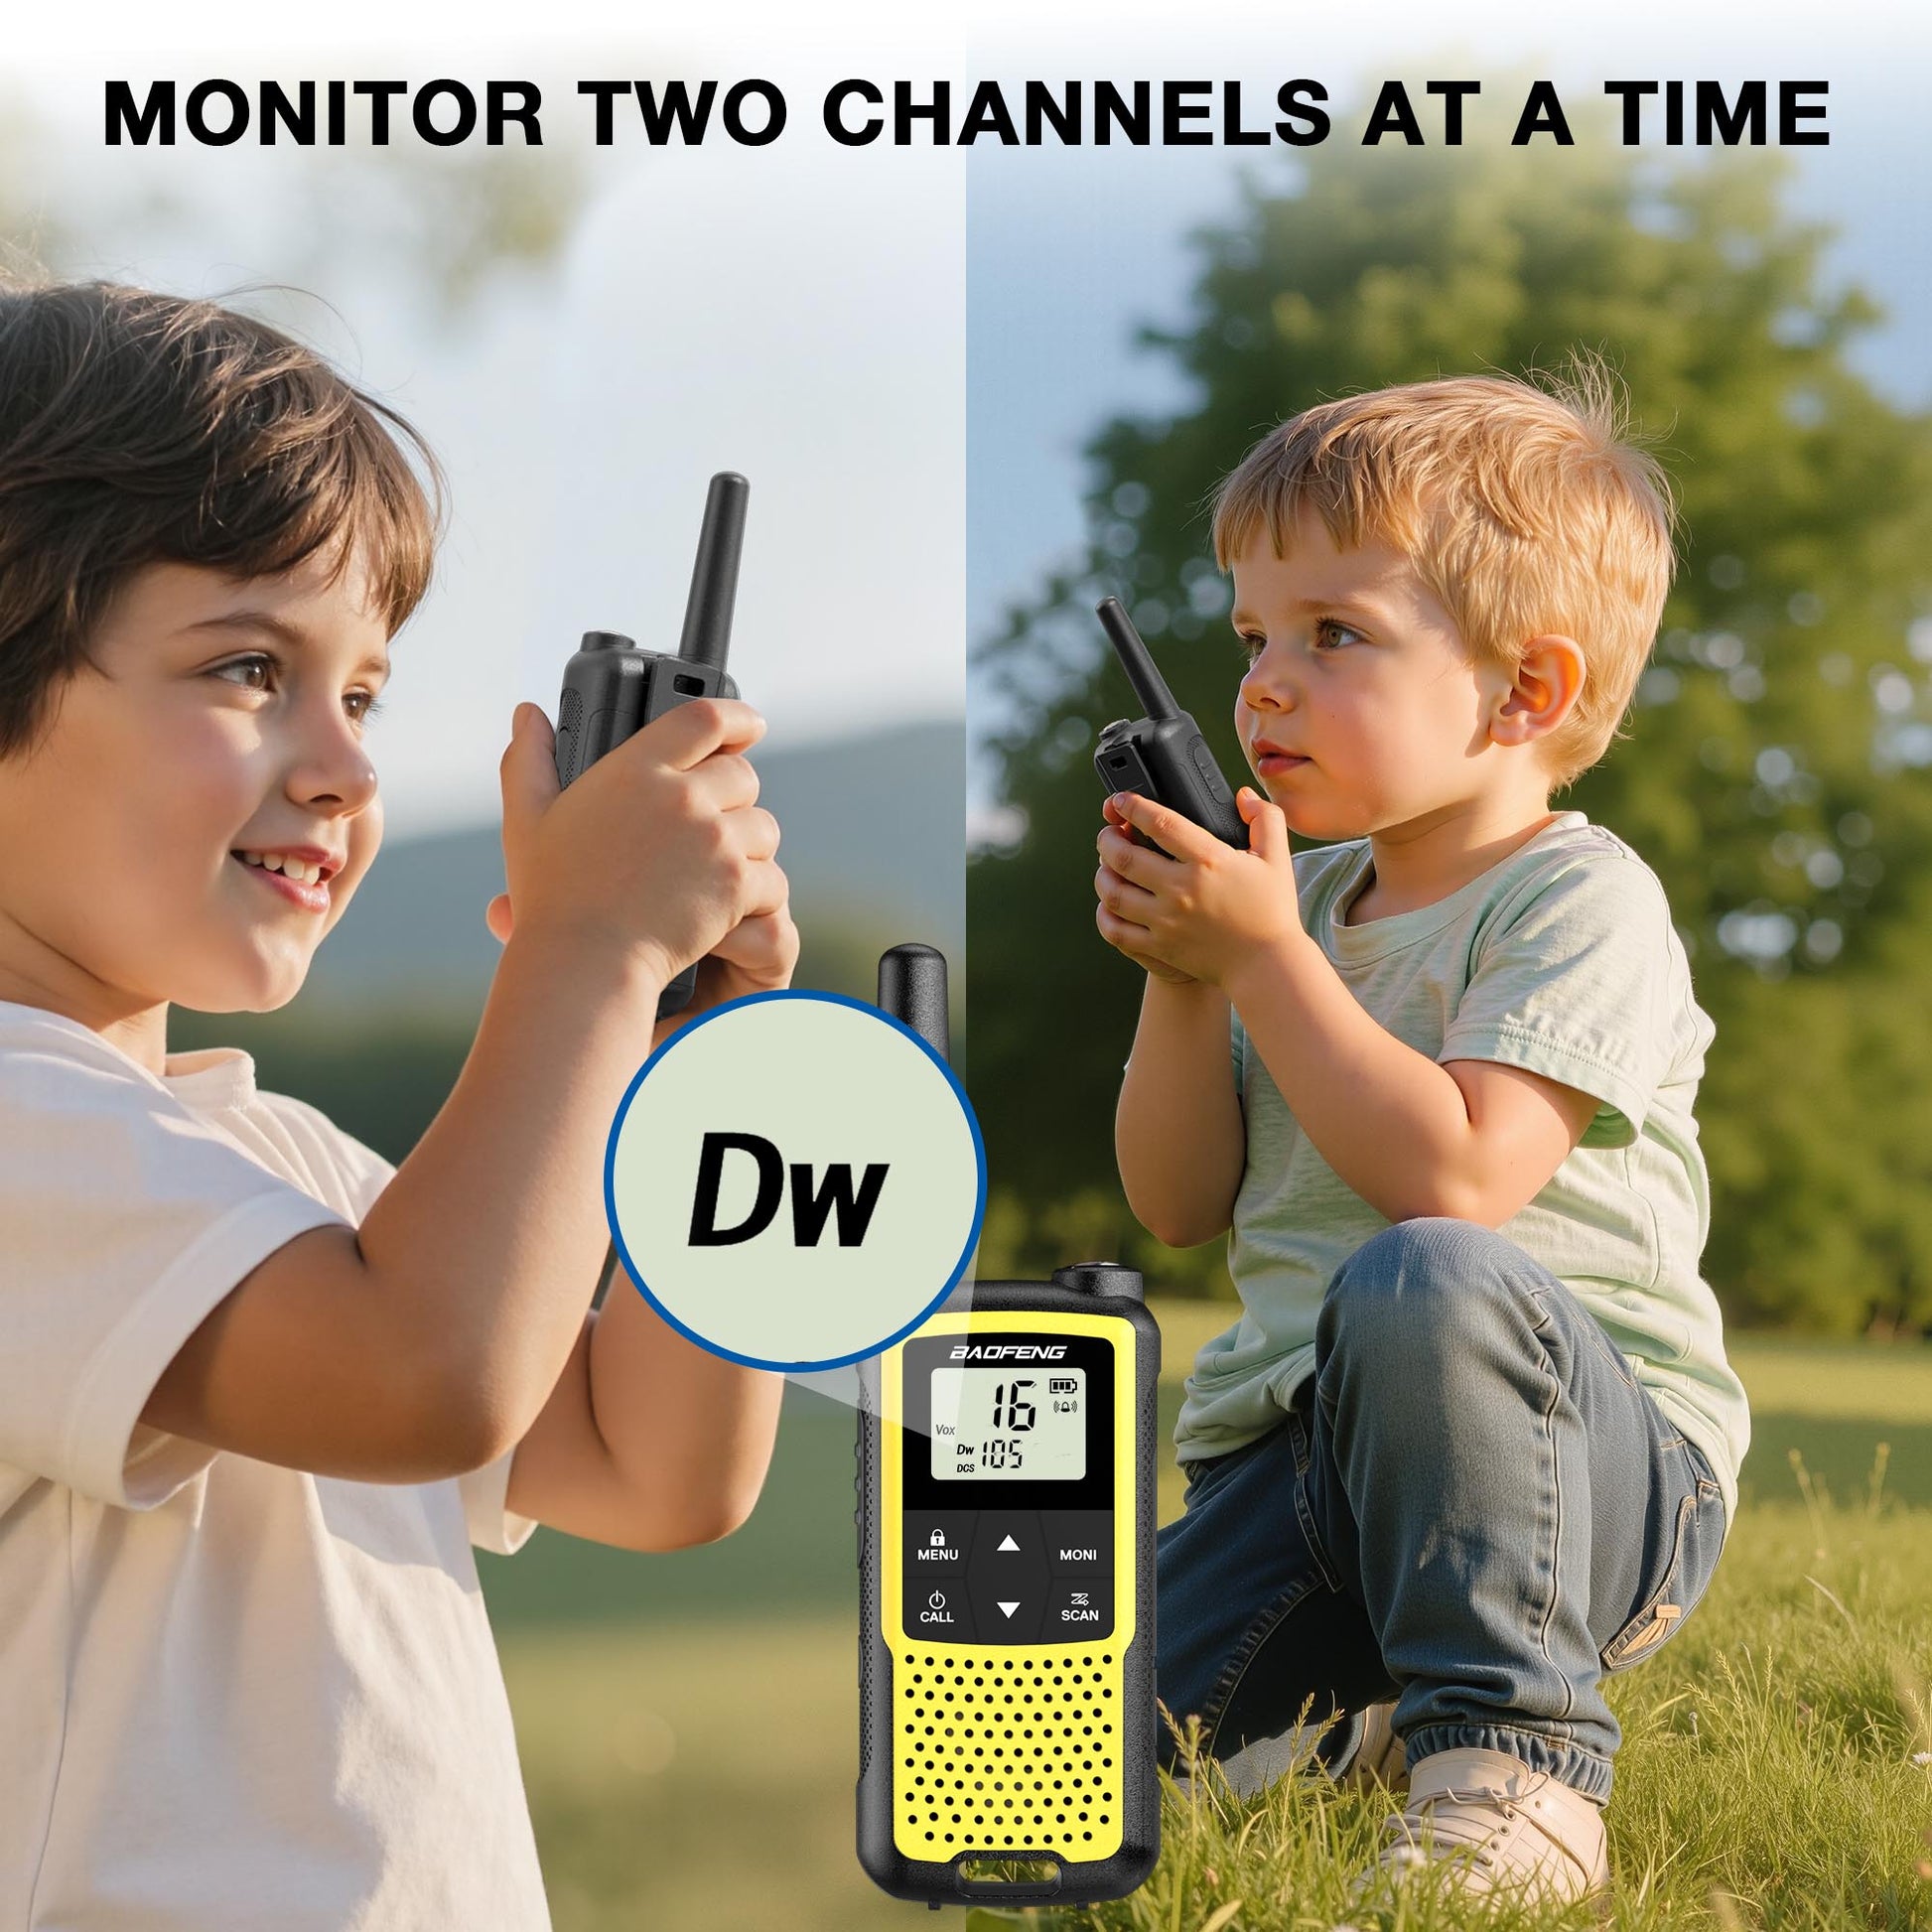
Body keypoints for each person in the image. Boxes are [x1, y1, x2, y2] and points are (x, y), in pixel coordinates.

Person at [0, 278, 796, 1929]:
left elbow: (652, 1467)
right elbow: (427, 1372)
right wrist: (579, 946)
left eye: (362, 693)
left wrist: (703, 1048)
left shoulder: (277, 1167)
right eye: (245, 669)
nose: (348, 767)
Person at [1092, 367, 1749, 1907]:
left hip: (1576, 1477)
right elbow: (1179, 1201)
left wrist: (1259, 961)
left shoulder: (1575, 900)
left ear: (1521, 693)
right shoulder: (1297, 915)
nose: (1260, 684)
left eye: (1333, 635)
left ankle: (1516, 1764)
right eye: (1253, 634)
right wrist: (1186, 982)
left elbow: (1454, 1175)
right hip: (1301, 1476)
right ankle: (1350, 1739)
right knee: (1049, 1760)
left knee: (1421, 1273)